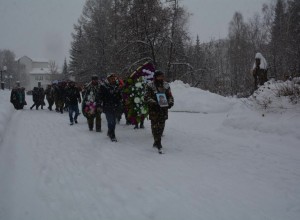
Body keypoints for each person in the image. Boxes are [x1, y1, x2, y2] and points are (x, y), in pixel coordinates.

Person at [145, 70, 174, 154]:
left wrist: (171, 102)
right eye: (159, 76)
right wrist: (155, 103)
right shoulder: (150, 85)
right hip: (154, 110)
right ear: (155, 77)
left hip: (163, 109)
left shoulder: (166, 85)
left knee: (161, 126)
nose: (161, 78)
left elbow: (170, 96)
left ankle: (156, 141)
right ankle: (158, 143)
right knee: (154, 126)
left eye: (162, 76)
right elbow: (146, 97)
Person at [97, 73, 122, 141]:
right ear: (108, 79)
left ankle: (110, 131)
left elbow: (120, 97)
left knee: (113, 121)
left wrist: (120, 93)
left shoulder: (117, 86)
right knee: (111, 121)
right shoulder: (103, 86)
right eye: (111, 79)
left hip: (115, 106)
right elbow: (100, 97)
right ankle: (112, 135)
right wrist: (99, 105)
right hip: (107, 106)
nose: (113, 80)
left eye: (113, 78)